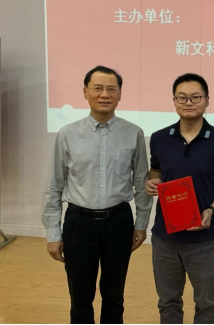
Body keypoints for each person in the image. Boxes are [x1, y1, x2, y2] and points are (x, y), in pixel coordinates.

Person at [42, 65, 153, 324]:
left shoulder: (134, 133)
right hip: (79, 224)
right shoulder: (67, 134)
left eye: (111, 89)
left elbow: (141, 181)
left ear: (120, 94)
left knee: (114, 297)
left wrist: (141, 223)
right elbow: (54, 185)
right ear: (85, 92)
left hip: (119, 222)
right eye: (98, 88)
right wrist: (53, 232)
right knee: (80, 299)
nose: (104, 94)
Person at [145, 73, 214, 325]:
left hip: (204, 238)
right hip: (165, 236)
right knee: (168, 301)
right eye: (182, 97)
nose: (189, 102)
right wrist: (152, 182)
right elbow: (156, 171)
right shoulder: (159, 138)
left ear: (207, 100)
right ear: (174, 101)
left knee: (206, 303)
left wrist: (211, 209)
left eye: (195, 97)